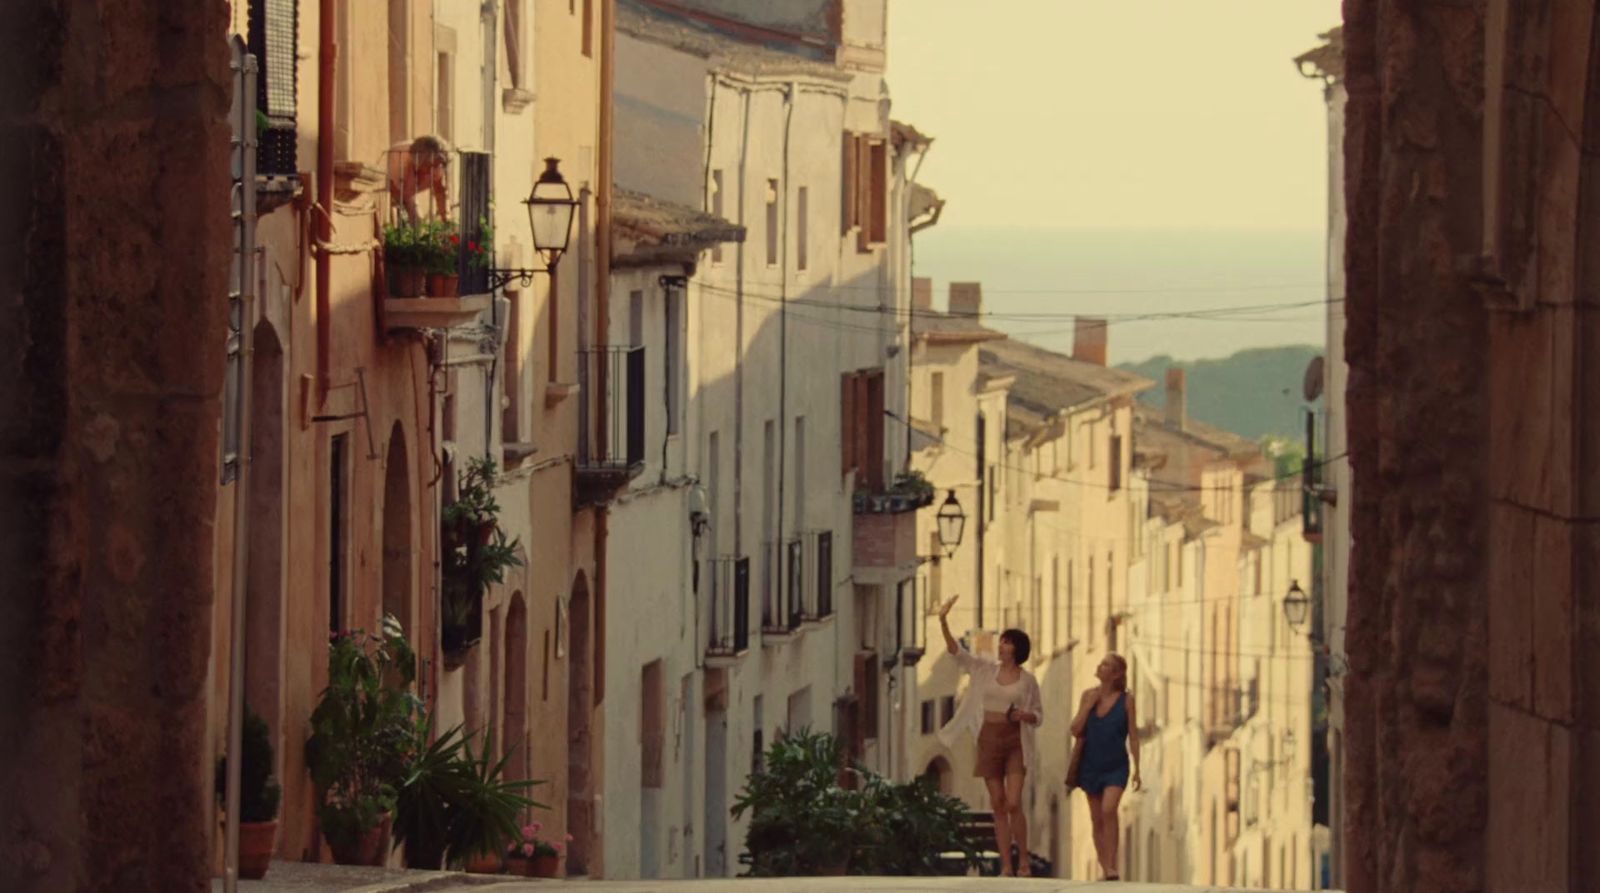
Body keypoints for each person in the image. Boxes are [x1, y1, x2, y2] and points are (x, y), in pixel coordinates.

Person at [933, 595, 1043, 877]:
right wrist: (943, 621)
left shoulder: (1028, 681)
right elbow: (956, 652)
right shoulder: (984, 669)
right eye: (1003, 640)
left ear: (1017, 649)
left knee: (1014, 802)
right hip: (989, 737)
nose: (1002, 644)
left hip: (1016, 740)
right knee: (997, 803)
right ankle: (1006, 864)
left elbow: (1039, 715)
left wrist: (1025, 716)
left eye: (1007, 641)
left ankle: (1024, 861)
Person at [1069, 652, 1141, 881]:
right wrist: (1088, 706)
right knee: (1096, 817)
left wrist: (1137, 768)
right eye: (1101, 663)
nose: (1100, 667)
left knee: (1109, 810)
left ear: (1117, 673)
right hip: (1090, 765)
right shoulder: (1088, 696)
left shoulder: (1127, 700)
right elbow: (1075, 729)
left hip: (1116, 766)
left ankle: (1112, 863)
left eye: (1106, 665)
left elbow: (1134, 735)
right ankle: (1105, 866)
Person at [387, 135, 451, 223]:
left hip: (407, 192)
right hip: (390, 192)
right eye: (429, 165)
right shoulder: (400, 161)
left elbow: (440, 191)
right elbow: (398, 191)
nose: (432, 171)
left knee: (417, 222)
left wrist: (446, 219)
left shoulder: (438, 166)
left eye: (437, 165)